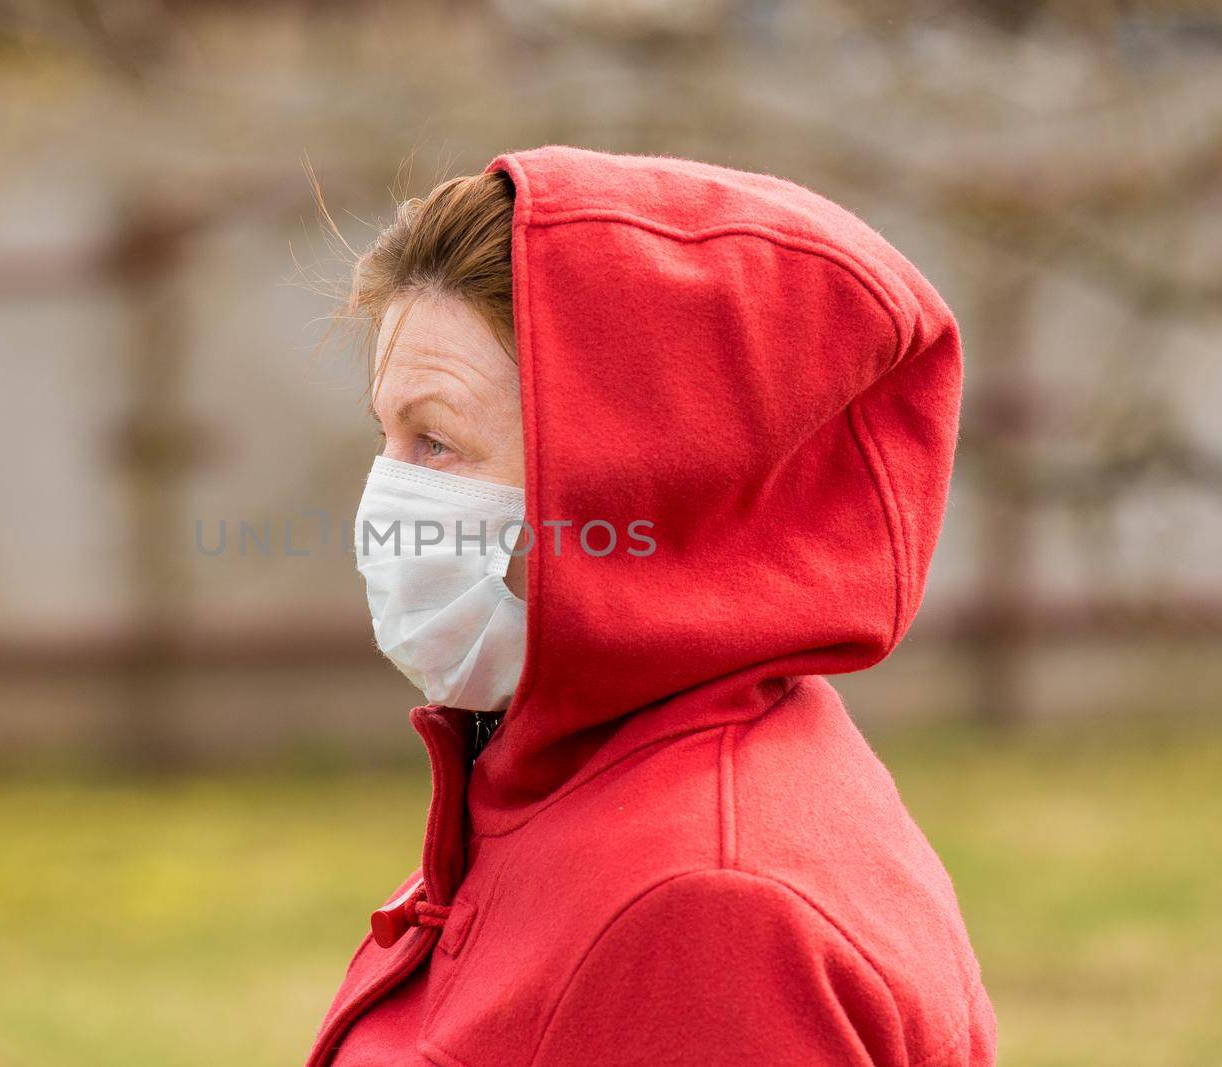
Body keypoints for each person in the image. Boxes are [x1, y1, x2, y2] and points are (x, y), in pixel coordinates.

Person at [306, 144, 997, 1067]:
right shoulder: (570, 776)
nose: (387, 501)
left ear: (642, 485)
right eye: (387, 436)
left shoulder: (713, 912)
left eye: (436, 442)